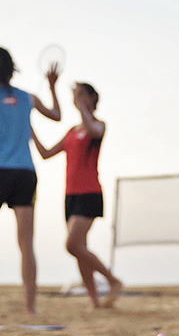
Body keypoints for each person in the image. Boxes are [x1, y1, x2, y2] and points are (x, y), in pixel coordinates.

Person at [0, 47, 60, 316]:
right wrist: (52, 86)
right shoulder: (28, 97)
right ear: (12, 67)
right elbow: (56, 115)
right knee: (26, 244)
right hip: (23, 171)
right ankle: (30, 307)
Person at [32, 81, 124, 309]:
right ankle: (94, 301)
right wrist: (29, 130)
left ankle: (113, 280)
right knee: (79, 249)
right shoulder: (72, 132)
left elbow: (93, 130)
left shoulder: (99, 126)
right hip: (70, 195)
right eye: (76, 95)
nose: (78, 98)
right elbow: (45, 153)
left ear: (92, 98)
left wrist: (82, 107)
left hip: (90, 193)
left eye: (83, 94)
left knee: (72, 244)